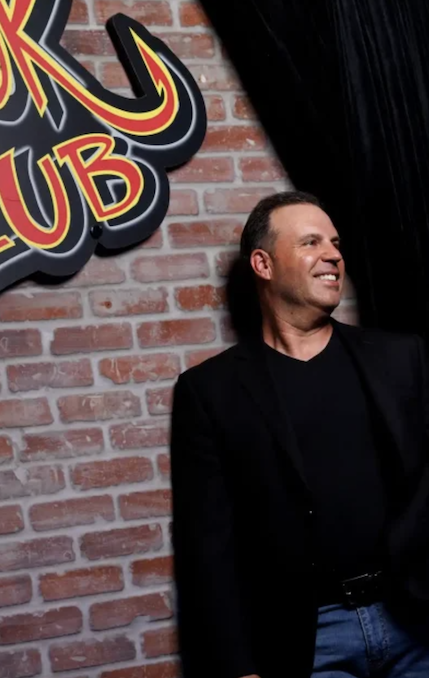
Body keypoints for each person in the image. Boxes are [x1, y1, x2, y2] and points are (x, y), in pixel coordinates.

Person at [169, 190, 429, 678]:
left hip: (414, 622)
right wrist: (239, 668)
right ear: (263, 265)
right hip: (306, 641)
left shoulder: (401, 358)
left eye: (335, 243)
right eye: (311, 242)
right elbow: (207, 547)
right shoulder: (209, 392)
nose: (333, 255)